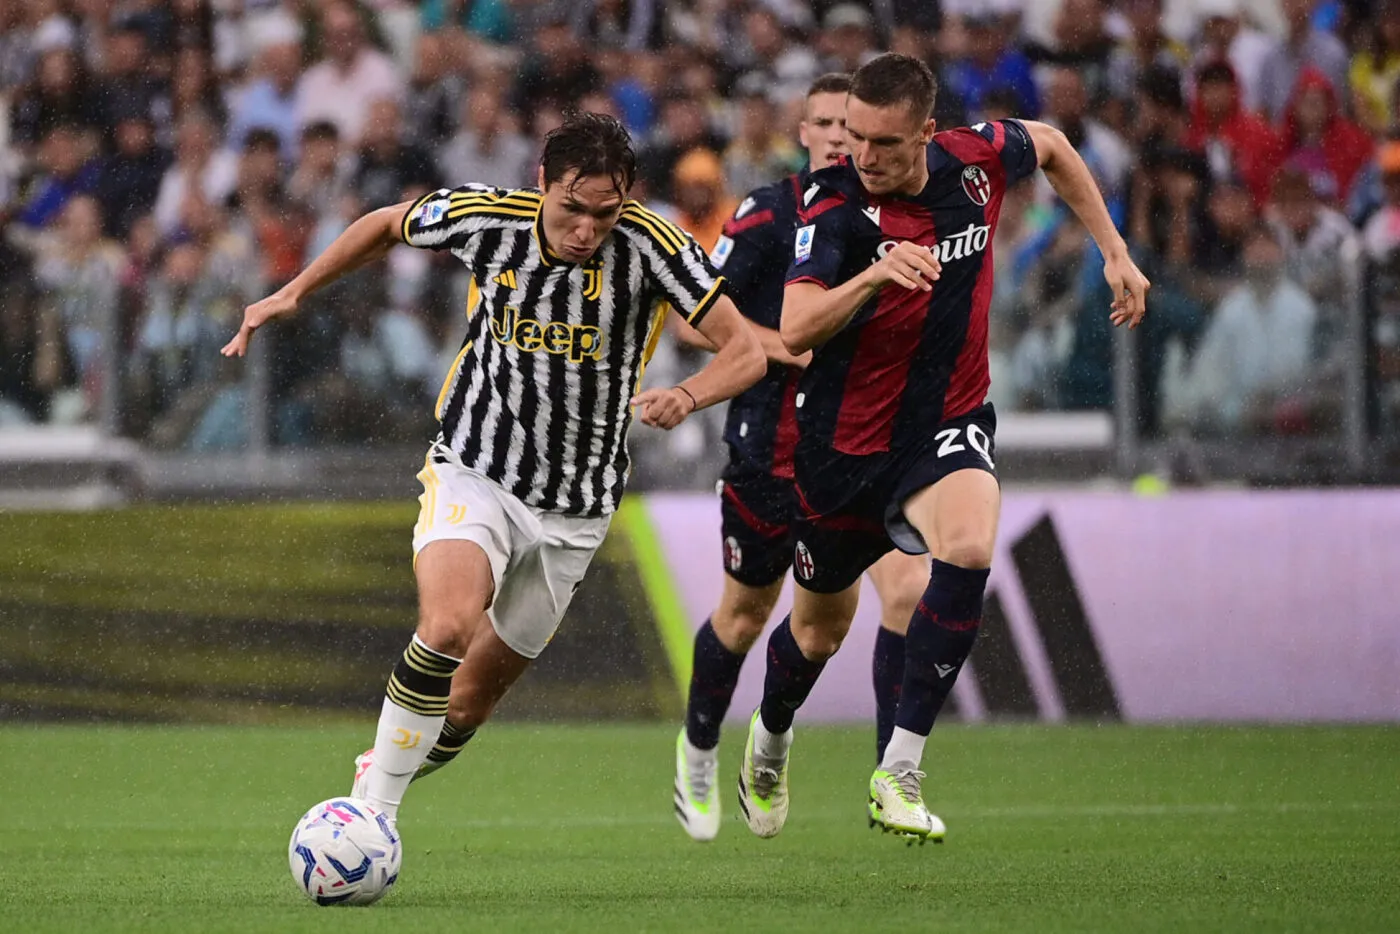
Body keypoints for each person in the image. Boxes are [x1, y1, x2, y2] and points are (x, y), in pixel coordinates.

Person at [221, 112, 766, 828]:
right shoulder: (489, 218)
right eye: (571, 208)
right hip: (476, 469)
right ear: (541, 182)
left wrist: (689, 395)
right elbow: (387, 223)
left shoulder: (652, 245)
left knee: (470, 705)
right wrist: (297, 288)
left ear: (626, 198)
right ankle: (369, 818)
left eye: (604, 213)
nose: (585, 230)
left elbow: (746, 351)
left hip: (577, 508)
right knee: (447, 626)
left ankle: (383, 771)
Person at [736, 54, 1148, 844]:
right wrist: (873, 279)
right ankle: (772, 732)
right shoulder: (833, 205)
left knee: (967, 543)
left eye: (885, 142)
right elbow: (794, 328)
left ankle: (900, 768)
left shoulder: (975, 159)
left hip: (944, 425)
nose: (864, 155)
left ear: (928, 132)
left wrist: (1114, 251)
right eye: (854, 136)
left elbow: (1056, 145)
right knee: (817, 634)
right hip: (842, 451)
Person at [671, 73, 933, 843]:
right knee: (747, 613)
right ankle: (698, 745)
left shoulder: (900, 211)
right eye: (821, 123)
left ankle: (884, 770)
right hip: (769, 448)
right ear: (804, 131)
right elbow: (692, 319)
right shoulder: (767, 212)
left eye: (845, 124)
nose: (836, 137)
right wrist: (787, 348)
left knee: (897, 594)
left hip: (864, 451)